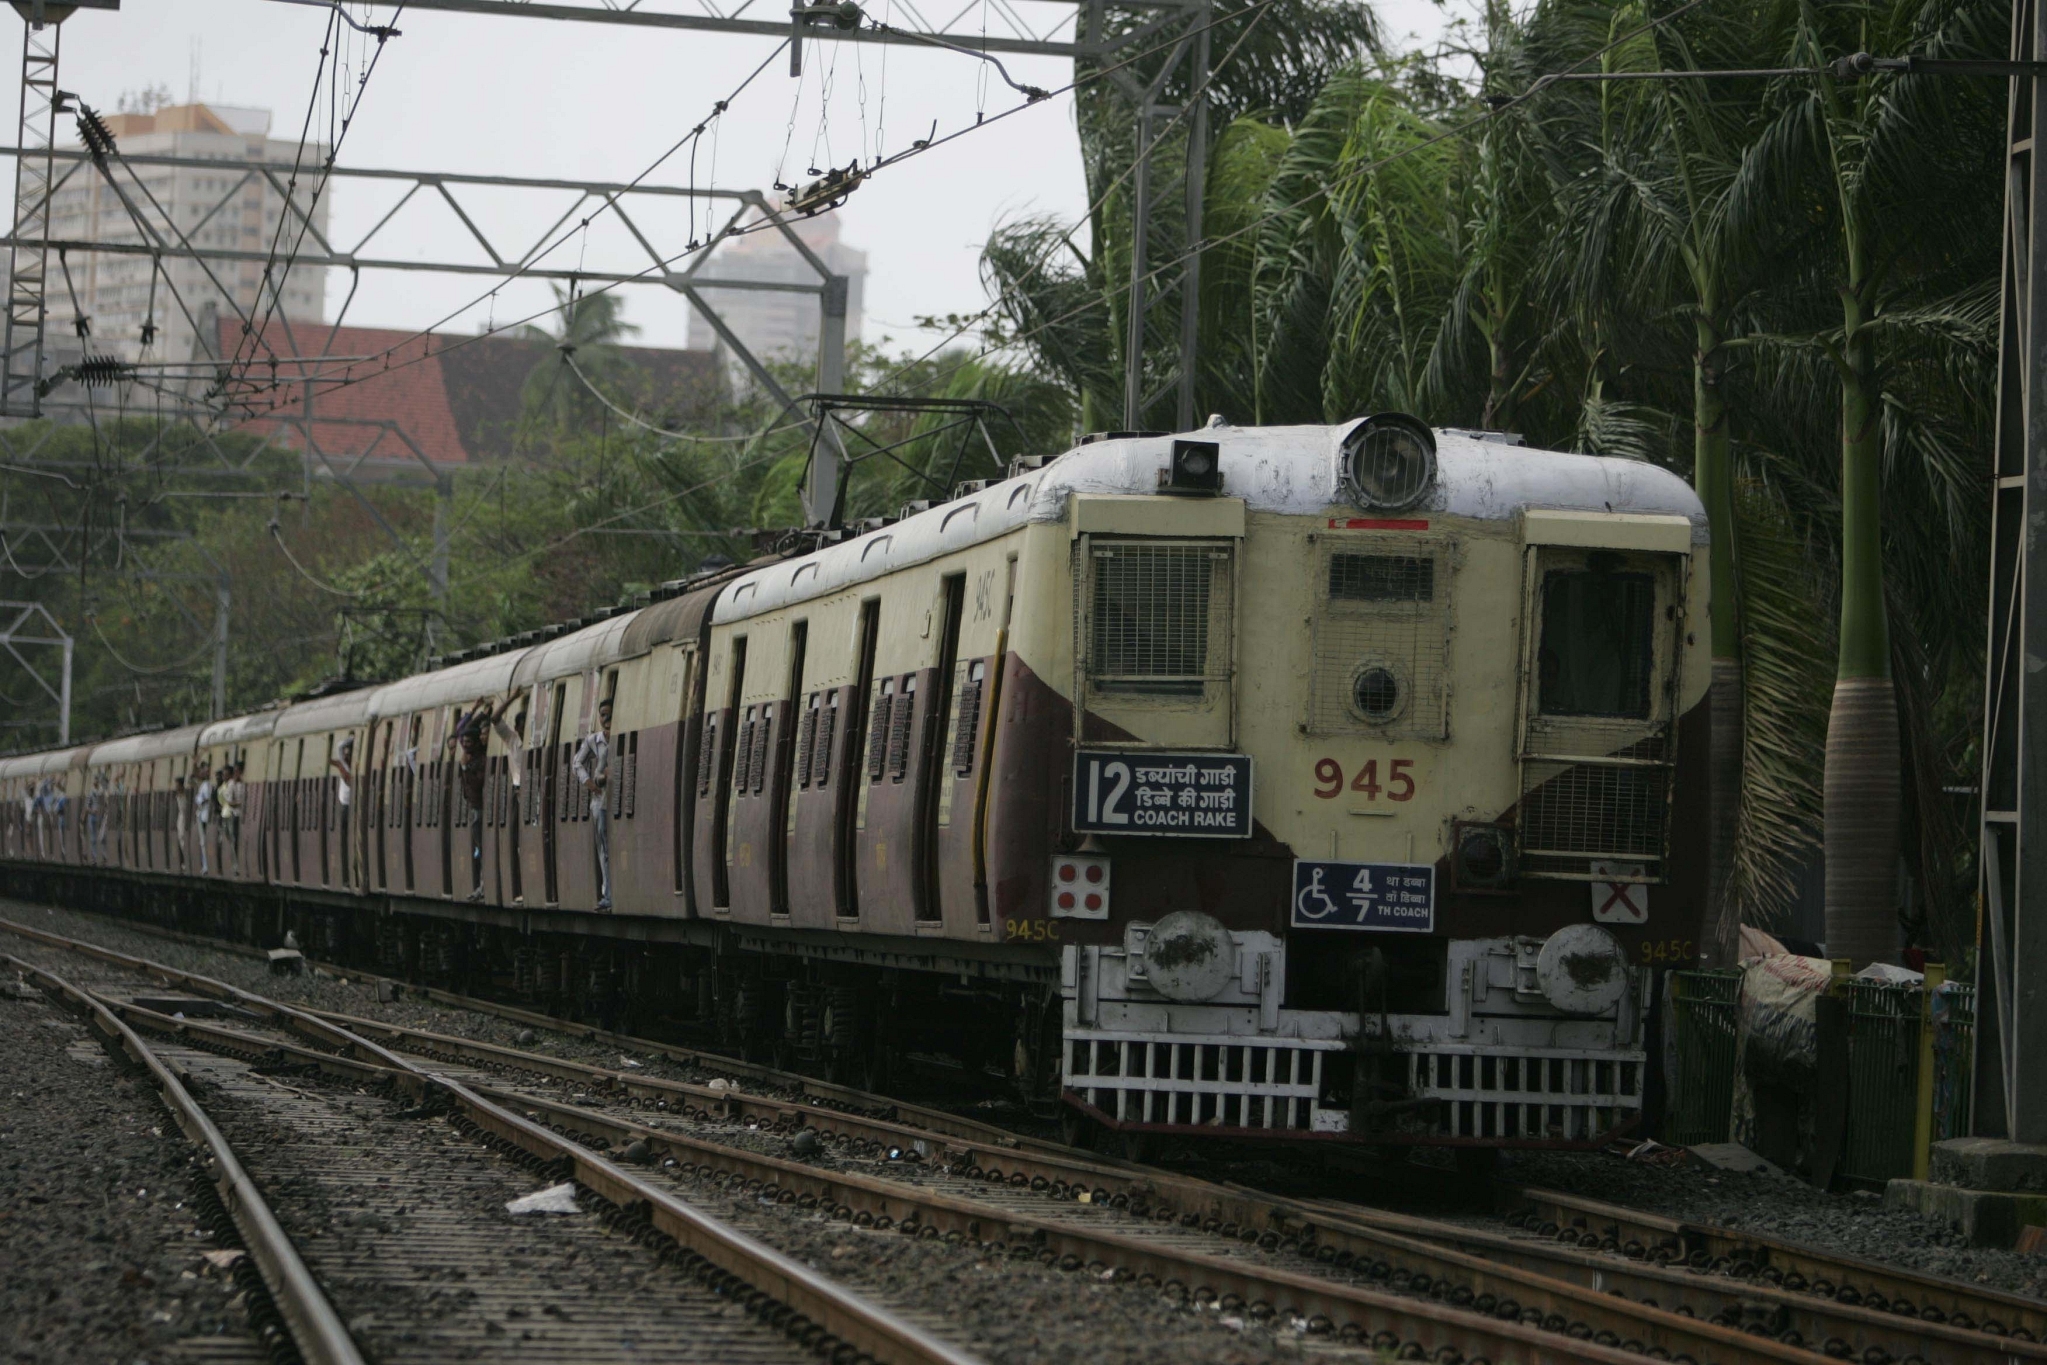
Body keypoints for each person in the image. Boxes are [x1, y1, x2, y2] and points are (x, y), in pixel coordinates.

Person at [451, 699, 495, 902]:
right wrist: (479, 713)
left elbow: (478, 783)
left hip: (480, 808)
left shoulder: (479, 760)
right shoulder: (469, 755)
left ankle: (484, 886)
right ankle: (480, 886)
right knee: (479, 849)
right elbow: (462, 731)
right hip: (474, 807)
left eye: (469, 742)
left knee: (482, 849)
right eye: (464, 743)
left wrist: (466, 768)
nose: (465, 745)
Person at [572, 697, 614, 911]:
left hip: (614, 797)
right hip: (601, 800)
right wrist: (590, 784)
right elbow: (577, 763)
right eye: (603, 715)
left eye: (609, 714)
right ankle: (608, 895)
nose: (607, 718)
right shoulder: (593, 741)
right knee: (604, 847)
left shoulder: (618, 737)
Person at [329, 738, 355, 886]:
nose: (345, 756)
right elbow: (339, 746)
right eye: (345, 754)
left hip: (352, 806)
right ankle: (347, 875)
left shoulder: (350, 767)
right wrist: (352, 738)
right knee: (346, 838)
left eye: (348, 754)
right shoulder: (344, 766)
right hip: (345, 806)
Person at [220, 762, 245, 877]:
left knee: (238, 840)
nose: (235, 774)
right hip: (234, 815)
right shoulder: (231, 785)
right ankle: (236, 866)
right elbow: (230, 802)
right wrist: (240, 803)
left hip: (241, 815)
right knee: (234, 840)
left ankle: (240, 865)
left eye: (237, 771)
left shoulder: (242, 784)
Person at [193, 761, 215, 875]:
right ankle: (205, 865)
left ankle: (206, 865)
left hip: (205, 815)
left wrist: (202, 801)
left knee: (204, 842)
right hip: (203, 815)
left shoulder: (207, 785)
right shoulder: (204, 785)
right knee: (203, 842)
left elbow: (202, 799)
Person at [172, 775, 190, 871]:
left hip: (183, 818)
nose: (176, 787)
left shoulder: (184, 796)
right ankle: (183, 860)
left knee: (182, 839)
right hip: (181, 818)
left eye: (177, 785)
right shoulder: (179, 796)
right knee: (180, 839)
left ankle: (185, 860)